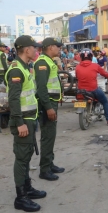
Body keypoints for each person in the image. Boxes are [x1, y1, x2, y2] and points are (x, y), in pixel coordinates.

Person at [5, 35, 46, 212]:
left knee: (27, 156)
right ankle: (20, 198)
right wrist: (19, 123)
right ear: (26, 49)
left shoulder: (25, 67)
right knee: (22, 159)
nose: (36, 50)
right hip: (23, 121)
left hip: (29, 118)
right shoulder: (16, 70)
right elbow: (14, 100)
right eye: (34, 47)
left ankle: (27, 188)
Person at [34, 37, 65, 181]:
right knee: (47, 136)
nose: (59, 49)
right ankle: (44, 169)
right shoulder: (42, 63)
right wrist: (48, 108)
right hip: (47, 105)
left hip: (51, 103)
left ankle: (50, 163)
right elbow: (41, 88)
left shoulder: (48, 61)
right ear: (50, 47)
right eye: (57, 46)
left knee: (51, 135)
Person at [75, 48, 108, 125]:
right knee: (105, 101)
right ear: (91, 57)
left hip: (80, 90)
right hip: (93, 89)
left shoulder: (77, 67)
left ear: (81, 57)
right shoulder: (95, 66)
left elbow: (77, 77)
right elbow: (104, 73)